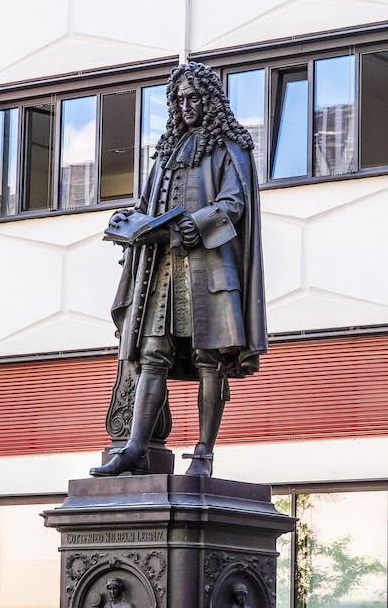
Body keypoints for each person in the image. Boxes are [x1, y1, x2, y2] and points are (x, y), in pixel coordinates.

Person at [90, 61, 266, 478]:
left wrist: (196, 222)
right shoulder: (167, 152)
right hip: (161, 269)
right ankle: (135, 449)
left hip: (208, 269)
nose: (187, 105)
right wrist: (131, 223)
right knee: (152, 354)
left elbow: (233, 204)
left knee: (210, 358)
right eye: (180, 99)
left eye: (194, 98)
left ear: (211, 101)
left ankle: (203, 455)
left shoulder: (230, 148)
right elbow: (150, 206)